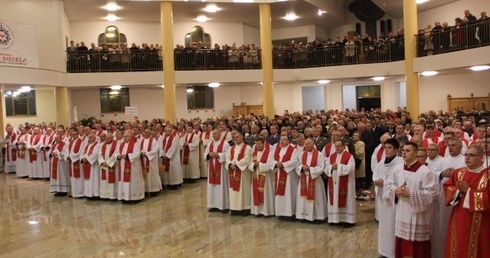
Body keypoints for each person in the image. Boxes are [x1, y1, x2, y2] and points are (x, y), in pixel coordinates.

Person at [387, 142, 437, 258]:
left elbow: (432, 194)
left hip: (418, 216)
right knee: (402, 244)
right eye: (403, 150)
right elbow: (389, 184)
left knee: (418, 249)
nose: (404, 153)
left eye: (408, 150)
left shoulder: (425, 171)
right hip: (402, 211)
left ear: (415, 153)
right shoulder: (398, 168)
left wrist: (411, 194)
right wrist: (396, 190)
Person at [444, 144, 489, 257]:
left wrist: (468, 191)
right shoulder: (458, 173)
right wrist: (458, 191)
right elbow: (448, 188)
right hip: (459, 217)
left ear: (481, 157)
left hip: (480, 220)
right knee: (458, 246)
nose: (467, 158)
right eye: (466, 155)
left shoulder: (487, 175)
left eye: (472, 155)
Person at [432, 138, 465, 258]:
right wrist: (442, 174)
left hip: (458, 200)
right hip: (443, 199)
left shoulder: (465, 160)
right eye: (449, 145)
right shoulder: (443, 161)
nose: (450, 147)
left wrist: (455, 174)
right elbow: (433, 174)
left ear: (461, 147)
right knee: (443, 225)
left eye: (453, 145)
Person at [373, 138, 403, 258]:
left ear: (396, 150)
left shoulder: (400, 163)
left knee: (392, 227)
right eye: (385, 148)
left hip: (394, 202)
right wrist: (377, 181)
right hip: (383, 201)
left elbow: (400, 181)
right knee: (384, 227)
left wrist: (383, 183)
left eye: (389, 148)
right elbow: (376, 174)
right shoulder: (382, 162)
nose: (386, 150)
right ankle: (384, 251)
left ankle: (393, 252)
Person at [324, 140, 356, 226]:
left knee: (347, 200)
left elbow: (351, 168)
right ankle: (334, 219)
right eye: (336, 146)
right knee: (334, 199)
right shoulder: (331, 156)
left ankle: (347, 220)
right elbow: (326, 168)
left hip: (346, 183)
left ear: (343, 146)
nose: (337, 148)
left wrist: (339, 166)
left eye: (339, 146)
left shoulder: (349, 156)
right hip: (333, 183)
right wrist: (331, 167)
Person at [295, 138, 327, 222]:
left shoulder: (319, 155)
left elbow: (321, 167)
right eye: (305, 144)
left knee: (316, 198)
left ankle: (317, 217)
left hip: (315, 179)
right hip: (303, 179)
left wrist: (310, 169)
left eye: (308, 144)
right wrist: (302, 167)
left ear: (313, 144)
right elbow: (297, 165)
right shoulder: (301, 154)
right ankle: (303, 216)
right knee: (303, 198)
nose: (306, 146)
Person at [271, 134, 299, 220]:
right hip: (278, 174)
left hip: (289, 176)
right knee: (279, 195)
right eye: (281, 140)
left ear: (288, 141)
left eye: (284, 140)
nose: (282, 141)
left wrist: (283, 164)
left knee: (289, 194)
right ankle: (281, 213)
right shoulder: (276, 150)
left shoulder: (293, 150)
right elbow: (270, 160)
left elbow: (294, 161)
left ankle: (291, 213)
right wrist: (275, 164)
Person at [225, 131, 252, 216]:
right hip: (233, 172)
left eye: (237, 137)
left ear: (242, 137)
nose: (236, 139)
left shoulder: (247, 148)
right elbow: (227, 158)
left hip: (243, 173)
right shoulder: (231, 148)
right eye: (235, 137)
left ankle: (245, 208)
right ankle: (234, 208)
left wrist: (236, 164)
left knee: (243, 191)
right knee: (233, 191)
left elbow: (247, 159)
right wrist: (230, 164)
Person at [205, 129, 231, 212]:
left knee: (221, 187)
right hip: (211, 167)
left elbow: (228, 155)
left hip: (221, 168)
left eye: (215, 133)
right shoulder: (210, 143)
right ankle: (212, 204)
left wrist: (218, 155)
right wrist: (209, 154)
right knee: (212, 186)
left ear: (220, 134)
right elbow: (205, 153)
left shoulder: (225, 144)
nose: (214, 135)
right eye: (213, 134)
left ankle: (223, 206)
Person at [249, 137, 275, 216]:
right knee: (255, 192)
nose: (258, 145)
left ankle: (266, 211)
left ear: (264, 144)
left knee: (266, 194)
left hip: (266, 178)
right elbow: (249, 165)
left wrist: (259, 164)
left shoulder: (269, 153)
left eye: (259, 144)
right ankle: (257, 211)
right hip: (256, 176)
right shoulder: (254, 153)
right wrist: (253, 165)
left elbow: (269, 166)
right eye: (256, 144)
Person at [117, 130, 145, 202]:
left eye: (126, 136)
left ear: (130, 137)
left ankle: (134, 198)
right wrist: (118, 156)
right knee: (123, 180)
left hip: (132, 166)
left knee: (132, 181)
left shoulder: (135, 144)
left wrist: (126, 156)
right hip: (122, 165)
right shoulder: (121, 144)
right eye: (124, 136)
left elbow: (137, 154)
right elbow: (116, 153)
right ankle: (124, 197)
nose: (124, 138)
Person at [160, 124, 183, 190]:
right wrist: (162, 154)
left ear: (171, 131)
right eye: (166, 131)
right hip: (165, 156)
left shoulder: (175, 138)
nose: (167, 133)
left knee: (173, 171)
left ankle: (174, 184)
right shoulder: (163, 138)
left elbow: (173, 147)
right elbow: (161, 147)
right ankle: (166, 183)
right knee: (166, 172)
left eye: (168, 131)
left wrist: (167, 155)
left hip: (173, 158)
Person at [139, 128, 162, 196]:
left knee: (152, 175)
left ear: (150, 133)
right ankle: (146, 190)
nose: (146, 134)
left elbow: (155, 150)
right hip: (143, 160)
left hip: (151, 161)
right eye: (145, 132)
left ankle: (154, 190)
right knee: (144, 175)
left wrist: (146, 154)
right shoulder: (141, 141)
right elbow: (138, 149)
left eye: (147, 132)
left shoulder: (154, 141)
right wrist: (141, 153)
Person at [98, 131, 119, 200]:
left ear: (112, 138)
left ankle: (113, 196)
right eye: (106, 137)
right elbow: (99, 154)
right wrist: (102, 162)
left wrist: (108, 162)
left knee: (112, 181)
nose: (106, 139)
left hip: (112, 166)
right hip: (104, 165)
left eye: (108, 138)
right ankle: (105, 196)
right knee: (104, 181)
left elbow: (115, 154)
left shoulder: (116, 144)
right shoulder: (102, 145)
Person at [81, 133, 101, 199]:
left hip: (93, 166)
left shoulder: (98, 145)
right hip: (86, 164)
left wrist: (87, 159)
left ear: (95, 138)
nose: (89, 139)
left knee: (94, 179)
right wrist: (82, 158)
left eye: (91, 137)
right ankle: (88, 193)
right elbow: (82, 153)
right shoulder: (87, 145)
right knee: (87, 180)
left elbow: (95, 154)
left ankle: (95, 194)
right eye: (89, 137)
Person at [68, 129, 85, 198]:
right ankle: (73, 192)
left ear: (78, 134)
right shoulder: (70, 142)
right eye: (72, 134)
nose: (73, 135)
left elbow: (81, 152)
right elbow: (67, 151)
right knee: (72, 177)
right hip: (71, 162)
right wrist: (67, 156)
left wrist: (71, 156)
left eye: (75, 134)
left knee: (78, 178)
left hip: (77, 162)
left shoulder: (81, 142)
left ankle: (80, 193)